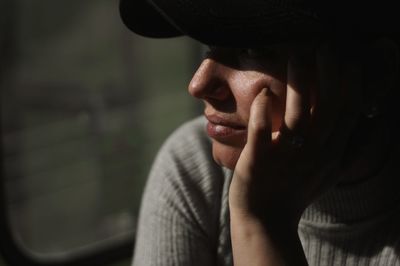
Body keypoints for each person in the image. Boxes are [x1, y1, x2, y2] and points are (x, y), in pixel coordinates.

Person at [120, 0, 400, 265]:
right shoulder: (196, 168)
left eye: (254, 51)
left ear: (377, 72)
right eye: (208, 46)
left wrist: (263, 224)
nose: (199, 85)